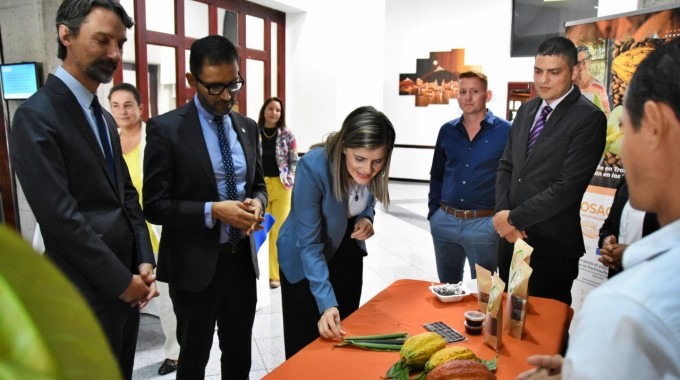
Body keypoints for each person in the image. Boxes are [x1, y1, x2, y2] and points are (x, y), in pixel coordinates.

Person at [516, 37, 680, 380]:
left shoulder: (627, 309)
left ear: (654, 124)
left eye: (625, 127)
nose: (621, 147)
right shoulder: (529, 111)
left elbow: (566, 186)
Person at [8, 1, 157, 378]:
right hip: (83, 290)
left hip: (125, 282)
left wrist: (143, 259)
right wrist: (122, 282)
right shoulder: (37, 117)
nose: (114, 54)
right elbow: (61, 219)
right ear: (66, 35)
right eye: (103, 40)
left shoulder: (103, 116)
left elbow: (126, 195)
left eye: (120, 44)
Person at [143, 35, 267, 380]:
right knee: (194, 359)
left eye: (234, 84)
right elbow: (154, 205)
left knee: (239, 354)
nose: (227, 96)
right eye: (215, 88)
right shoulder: (166, 129)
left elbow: (257, 184)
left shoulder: (247, 126)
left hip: (241, 262)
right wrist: (214, 210)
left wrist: (256, 203)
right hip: (193, 267)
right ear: (191, 81)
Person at [493, 36, 606, 306]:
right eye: (538, 71)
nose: (543, 80)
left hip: (551, 247)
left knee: (544, 331)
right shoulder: (527, 109)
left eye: (554, 72)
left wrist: (513, 219)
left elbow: (567, 187)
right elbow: (507, 165)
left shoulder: (588, 119)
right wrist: (501, 213)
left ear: (574, 71)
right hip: (510, 241)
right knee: (506, 322)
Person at [277, 106, 396, 358]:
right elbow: (309, 244)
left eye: (377, 161)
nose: (368, 169)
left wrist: (366, 217)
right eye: (360, 159)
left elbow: (366, 197)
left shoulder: (371, 166)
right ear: (344, 146)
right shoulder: (314, 167)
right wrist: (326, 302)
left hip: (347, 248)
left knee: (345, 336)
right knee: (306, 348)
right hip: (304, 256)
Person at [108, 83, 180, 376]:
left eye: (128, 105)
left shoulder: (156, 137)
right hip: (121, 232)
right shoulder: (107, 139)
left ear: (140, 108)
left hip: (156, 229)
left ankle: (175, 352)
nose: (122, 111)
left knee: (166, 296)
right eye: (115, 105)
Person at [428, 71, 511, 284]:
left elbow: (512, 176)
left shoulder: (506, 131)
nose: (468, 97)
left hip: (484, 223)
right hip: (445, 221)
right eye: (463, 92)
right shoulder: (447, 131)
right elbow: (437, 174)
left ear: (487, 95)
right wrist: (433, 213)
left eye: (475, 91)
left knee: (485, 291)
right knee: (447, 287)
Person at [257, 96, 298, 289]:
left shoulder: (287, 134)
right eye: (271, 109)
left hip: (282, 187)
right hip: (260, 187)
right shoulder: (253, 132)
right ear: (264, 110)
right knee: (261, 232)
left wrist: (290, 177)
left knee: (279, 232)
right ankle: (260, 272)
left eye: (278, 110)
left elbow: (294, 160)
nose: (274, 113)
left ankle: (275, 275)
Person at [597, 177, 659, 278]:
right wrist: (607, 244)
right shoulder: (626, 182)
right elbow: (608, 225)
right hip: (618, 277)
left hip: (656, 280)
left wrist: (631, 252)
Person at [574, 45, 611, 117]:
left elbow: (607, 113)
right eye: (577, 62)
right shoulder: (568, 85)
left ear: (590, 60)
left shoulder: (599, 87)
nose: (581, 65)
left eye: (584, 61)